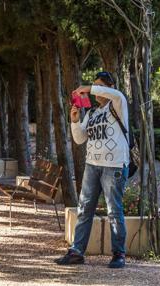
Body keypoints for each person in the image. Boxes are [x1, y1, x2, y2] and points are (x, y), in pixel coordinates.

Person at [55, 71, 130, 268]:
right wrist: (74, 120)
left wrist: (87, 88)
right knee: (84, 209)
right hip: (92, 166)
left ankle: (118, 254)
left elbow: (115, 94)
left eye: (99, 86)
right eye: (94, 87)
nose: (95, 91)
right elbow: (80, 139)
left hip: (114, 166)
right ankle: (77, 252)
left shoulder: (118, 103)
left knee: (114, 210)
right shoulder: (93, 113)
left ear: (110, 87)